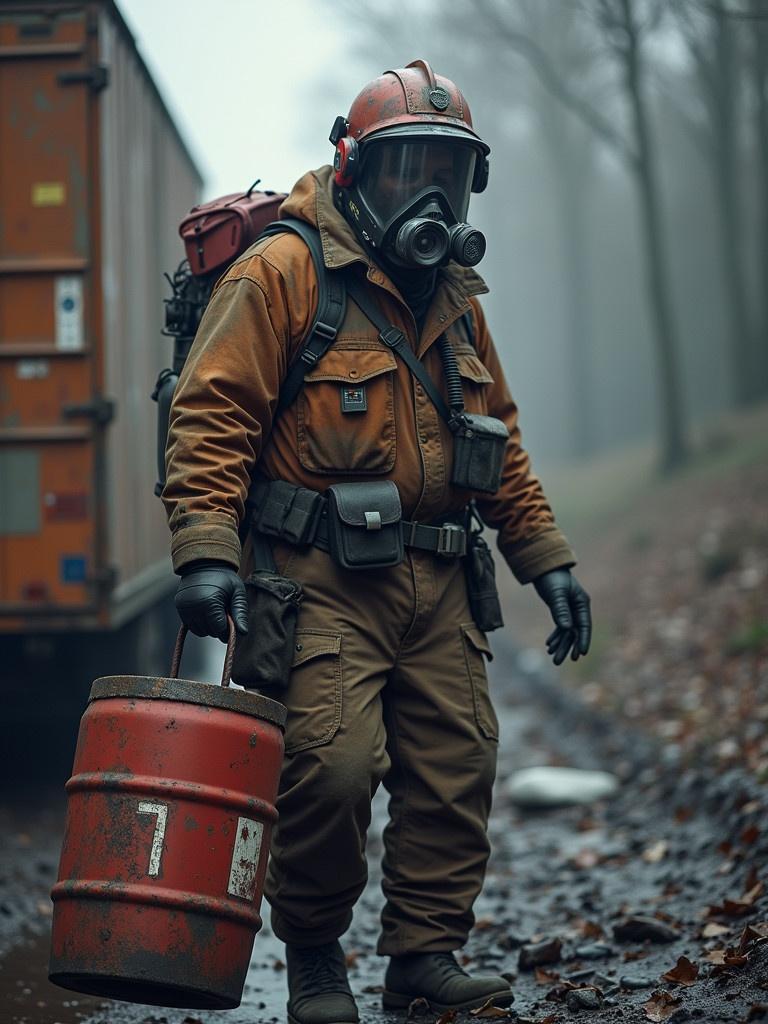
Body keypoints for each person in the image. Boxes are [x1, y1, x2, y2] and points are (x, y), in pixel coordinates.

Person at [163, 60, 591, 1024]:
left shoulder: (456, 297)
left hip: (439, 579)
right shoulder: (284, 271)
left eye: (449, 172)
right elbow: (212, 414)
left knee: (458, 763)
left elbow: (499, 438)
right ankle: (316, 958)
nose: (428, 196)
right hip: (318, 584)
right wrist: (205, 552)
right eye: (408, 170)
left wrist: (547, 559)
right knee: (330, 766)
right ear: (355, 172)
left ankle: (422, 956)